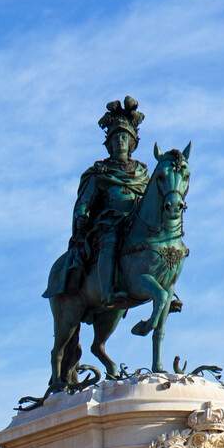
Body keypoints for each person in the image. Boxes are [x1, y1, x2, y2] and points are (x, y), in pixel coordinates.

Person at [44, 97, 150, 310]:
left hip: (136, 223)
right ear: (110, 144)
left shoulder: (143, 174)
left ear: (131, 143)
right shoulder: (99, 173)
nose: (120, 141)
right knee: (109, 242)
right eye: (116, 137)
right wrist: (82, 215)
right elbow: (85, 201)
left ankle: (167, 287)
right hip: (109, 223)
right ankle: (108, 291)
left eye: (124, 137)